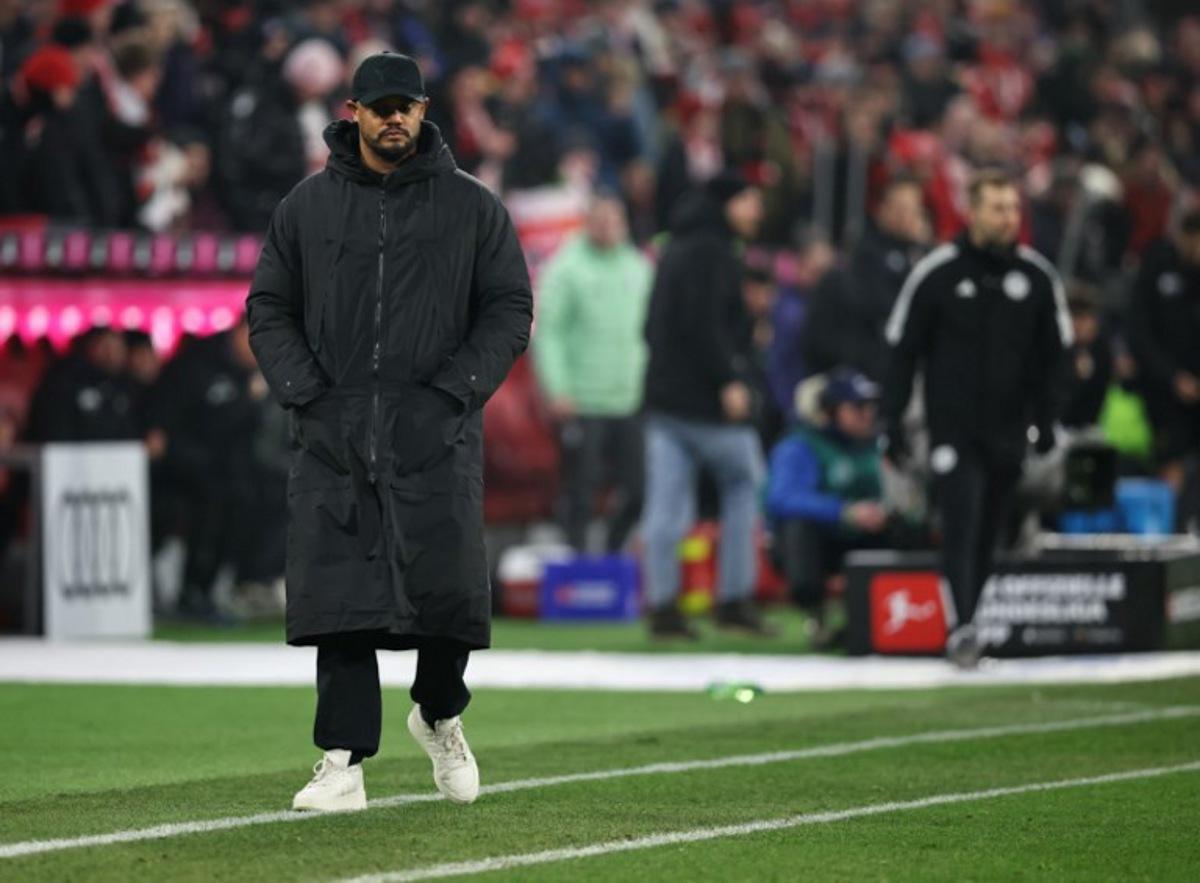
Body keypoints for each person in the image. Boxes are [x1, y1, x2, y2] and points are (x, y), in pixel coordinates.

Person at [245, 52, 532, 812]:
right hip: (333, 431)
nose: (394, 117)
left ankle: (439, 710)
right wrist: (305, 395)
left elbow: (508, 307)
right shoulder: (305, 207)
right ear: (354, 112)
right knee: (339, 598)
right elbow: (268, 306)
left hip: (434, 429)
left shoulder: (474, 208)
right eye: (380, 107)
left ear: (424, 108)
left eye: (406, 104)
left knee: (448, 597)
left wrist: (455, 393)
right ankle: (341, 759)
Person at [881, 167, 1071, 669]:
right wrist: (891, 420)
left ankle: (970, 619)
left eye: (1014, 208)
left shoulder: (1036, 277)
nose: (1008, 218)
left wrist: (1047, 421)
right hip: (951, 427)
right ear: (973, 211)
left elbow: (1056, 357)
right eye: (998, 208)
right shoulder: (937, 273)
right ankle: (963, 626)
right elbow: (902, 351)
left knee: (991, 528)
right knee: (961, 520)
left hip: (1009, 428)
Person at [641, 170, 773, 639]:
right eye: (749, 200)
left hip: (663, 398)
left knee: (665, 506)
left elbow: (653, 326)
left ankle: (663, 607)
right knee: (746, 483)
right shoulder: (714, 250)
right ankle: (733, 599)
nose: (757, 211)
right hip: (705, 404)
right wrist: (729, 379)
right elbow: (704, 324)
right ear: (727, 204)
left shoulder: (675, 245)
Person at [532, 193, 653, 553]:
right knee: (580, 493)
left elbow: (651, 331)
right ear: (587, 223)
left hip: (628, 398)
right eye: (600, 220)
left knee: (639, 489)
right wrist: (557, 388)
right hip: (582, 399)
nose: (608, 228)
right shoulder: (565, 269)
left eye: (614, 220)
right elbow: (549, 334)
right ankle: (579, 567)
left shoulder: (639, 267)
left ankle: (611, 553)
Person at [765, 369, 889, 647]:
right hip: (820, 540)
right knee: (798, 527)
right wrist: (844, 511)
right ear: (832, 411)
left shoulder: (874, 446)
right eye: (857, 407)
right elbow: (782, 499)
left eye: (869, 407)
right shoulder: (799, 445)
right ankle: (816, 615)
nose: (867, 414)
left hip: (860, 536)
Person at [802, 175, 930, 383]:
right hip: (870, 367)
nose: (909, 217)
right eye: (901, 209)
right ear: (883, 209)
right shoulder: (866, 253)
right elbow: (884, 307)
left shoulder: (923, 253)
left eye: (914, 209)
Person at [1126, 209, 1200, 520]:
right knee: (1171, 460)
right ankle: (1165, 527)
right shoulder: (1156, 264)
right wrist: (1173, 378)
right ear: (1184, 237)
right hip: (1164, 391)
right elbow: (1139, 333)